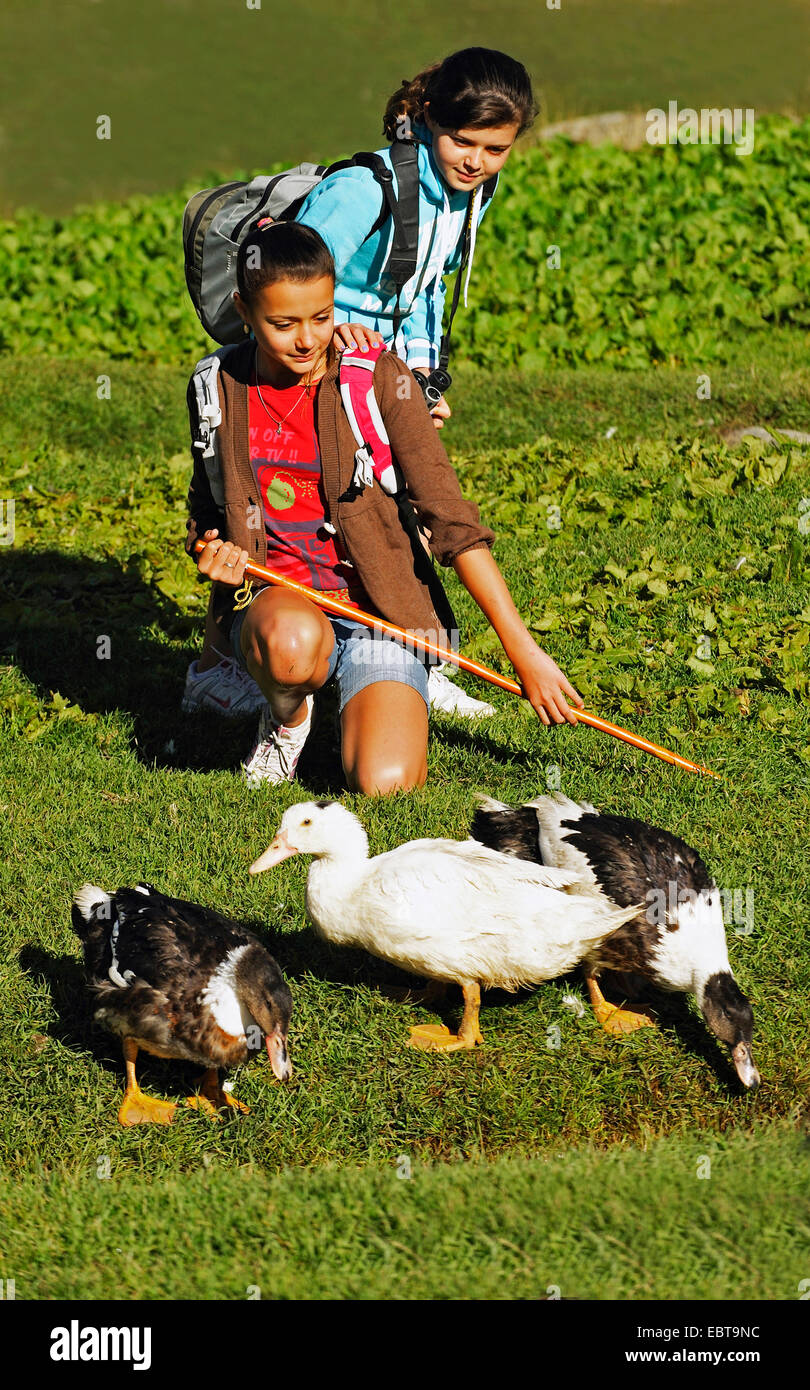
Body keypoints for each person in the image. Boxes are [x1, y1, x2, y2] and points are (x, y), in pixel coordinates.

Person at [183, 46, 538, 722]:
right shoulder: (364, 190)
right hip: (317, 361)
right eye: (463, 142)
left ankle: (408, 652)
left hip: (386, 371)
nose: (476, 161)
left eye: (496, 149)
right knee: (269, 492)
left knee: (401, 505)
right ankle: (217, 661)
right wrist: (344, 344)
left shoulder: (474, 190)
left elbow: (428, 285)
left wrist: (420, 380)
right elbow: (289, 276)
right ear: (429, 118)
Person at [185, 222, 582, 794]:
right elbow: (206, 511)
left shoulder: (374, 379)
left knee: (386, 783)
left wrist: (523, 651)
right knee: (292, 648)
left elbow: (453, 523)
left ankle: (357, 690)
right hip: (283, 608)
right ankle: (286, 719)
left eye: (321, 317)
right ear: (244, 310)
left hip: (384, 616)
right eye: (283, 323)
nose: (307, 340)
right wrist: (211, 550)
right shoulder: (216, 386)